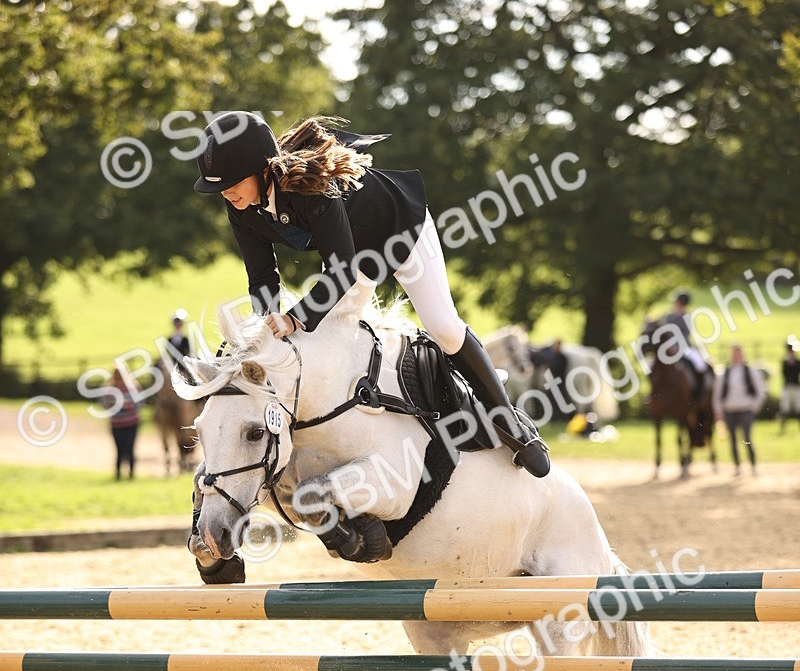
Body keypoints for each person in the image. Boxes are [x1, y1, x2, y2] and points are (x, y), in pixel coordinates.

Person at [192, 111, 550, 479]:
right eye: (220, 186)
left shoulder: (310, 187)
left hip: (399, 231)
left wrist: (294, 316)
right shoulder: (239, 206)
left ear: (264, 168)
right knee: (325, 342)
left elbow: (342, 269)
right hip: (353, 253)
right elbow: (262, 275)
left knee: (443, 327)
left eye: (233, 182)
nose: (226, 192)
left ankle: (512, 424)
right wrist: (264, 329)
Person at [713, 345, 766, 475]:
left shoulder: (750, 371)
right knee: (732, 440)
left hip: (745, 410)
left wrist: (754, 407)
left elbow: (761, 391)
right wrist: (718, 411)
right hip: (729, 411)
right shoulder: (725, 372)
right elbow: (717, 394)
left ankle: (753, 465)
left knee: (747, 438)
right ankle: (737, 466)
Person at [660, 291, 711, 397]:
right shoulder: (666, 317)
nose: (677, 305)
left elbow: (685, 334)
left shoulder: (686, 317)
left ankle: (699, 391)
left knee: (700, 364)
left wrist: (676, 347)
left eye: (680, 303)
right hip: (666, 348)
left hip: (684, 347)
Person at [102, 368, 141, 480]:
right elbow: (105, 404)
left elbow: (138, 404)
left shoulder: (132, 388)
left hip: (131, 423)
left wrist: (123, 404)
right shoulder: (110, 390)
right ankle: (118, 474)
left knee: (130, 448)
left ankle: (131, 474)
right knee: (119, 449)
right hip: (117, 424)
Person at [779, 338, 800, 431]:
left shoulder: (797, 362)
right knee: (784, 408)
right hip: (787, 386)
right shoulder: (784, 362)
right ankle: (783, 427)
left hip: (796, 386)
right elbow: (784, 374)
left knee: (798, 407)